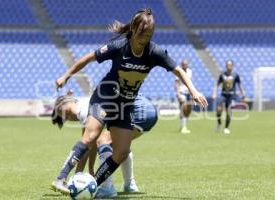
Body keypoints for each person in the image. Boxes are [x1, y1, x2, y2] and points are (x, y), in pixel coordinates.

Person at [54, 8, 208, 196]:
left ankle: (92, 185)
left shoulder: (154, 52)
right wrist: (65, 76)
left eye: (149, 34)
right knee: (90, 137)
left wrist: (194, 91)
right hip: (105, 98)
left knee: (122, 151)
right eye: (143, 33)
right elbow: (88, 58)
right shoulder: (119, 46)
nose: (145, 38)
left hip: (125, 105)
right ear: (134, 29)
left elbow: (178, 70)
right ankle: (60, 179)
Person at [50, 92, 158, 198]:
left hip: (139, 111)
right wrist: (91, 168)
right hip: (150, 111)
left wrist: (78, 176)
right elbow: (89, 146)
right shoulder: (88, 106)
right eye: (66, 118)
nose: (68, 116)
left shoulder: (82, 108)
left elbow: (86, 146)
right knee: (120, 145)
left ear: (69, 100)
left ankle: (107, 188)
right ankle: (129, 185)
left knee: (104, 141)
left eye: (64, 111)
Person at [212, 60, 245, 134]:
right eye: (227, 65)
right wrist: (214, 93)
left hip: (231, 95)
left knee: (228, 111)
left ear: (233, 66)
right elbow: (217, 84)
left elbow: (240, 85)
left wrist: (242, 94)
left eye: (230, 65)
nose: (228, 67)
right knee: (219, 109)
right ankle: (219, 123)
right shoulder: (222, 74)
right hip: (223, 94)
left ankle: (226, 128)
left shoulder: (236, 75)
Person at [175, 60, 193, 134]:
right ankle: (184, 127)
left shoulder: (190, 71)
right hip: (181, 92)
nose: (184, 65)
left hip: (188, 92)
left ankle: (183, 125)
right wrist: (178, 93)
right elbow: (177, 83)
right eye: (183, 64)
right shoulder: (178, 71)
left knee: (189, 109)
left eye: (186, 64)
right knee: (183, 108)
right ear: (181, 65)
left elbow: (189, 82)